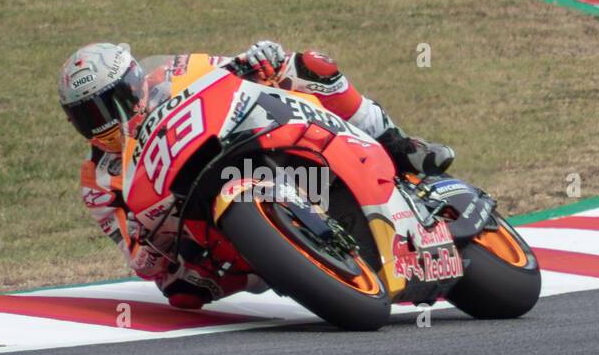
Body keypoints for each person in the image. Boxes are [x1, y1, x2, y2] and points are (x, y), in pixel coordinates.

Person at [59, 41, 454, 308]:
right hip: (197, 223)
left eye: (110, 103)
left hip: (250, 138)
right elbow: (136, 257)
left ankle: (400, 145)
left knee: (309, 65)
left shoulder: (179, 70)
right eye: (88, 115)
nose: (105, 121)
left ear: (133, 83)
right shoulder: (97, 181)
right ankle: (288, 260)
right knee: (182, 292)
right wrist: (151, 251)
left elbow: (236, 70)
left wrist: (261, 58)